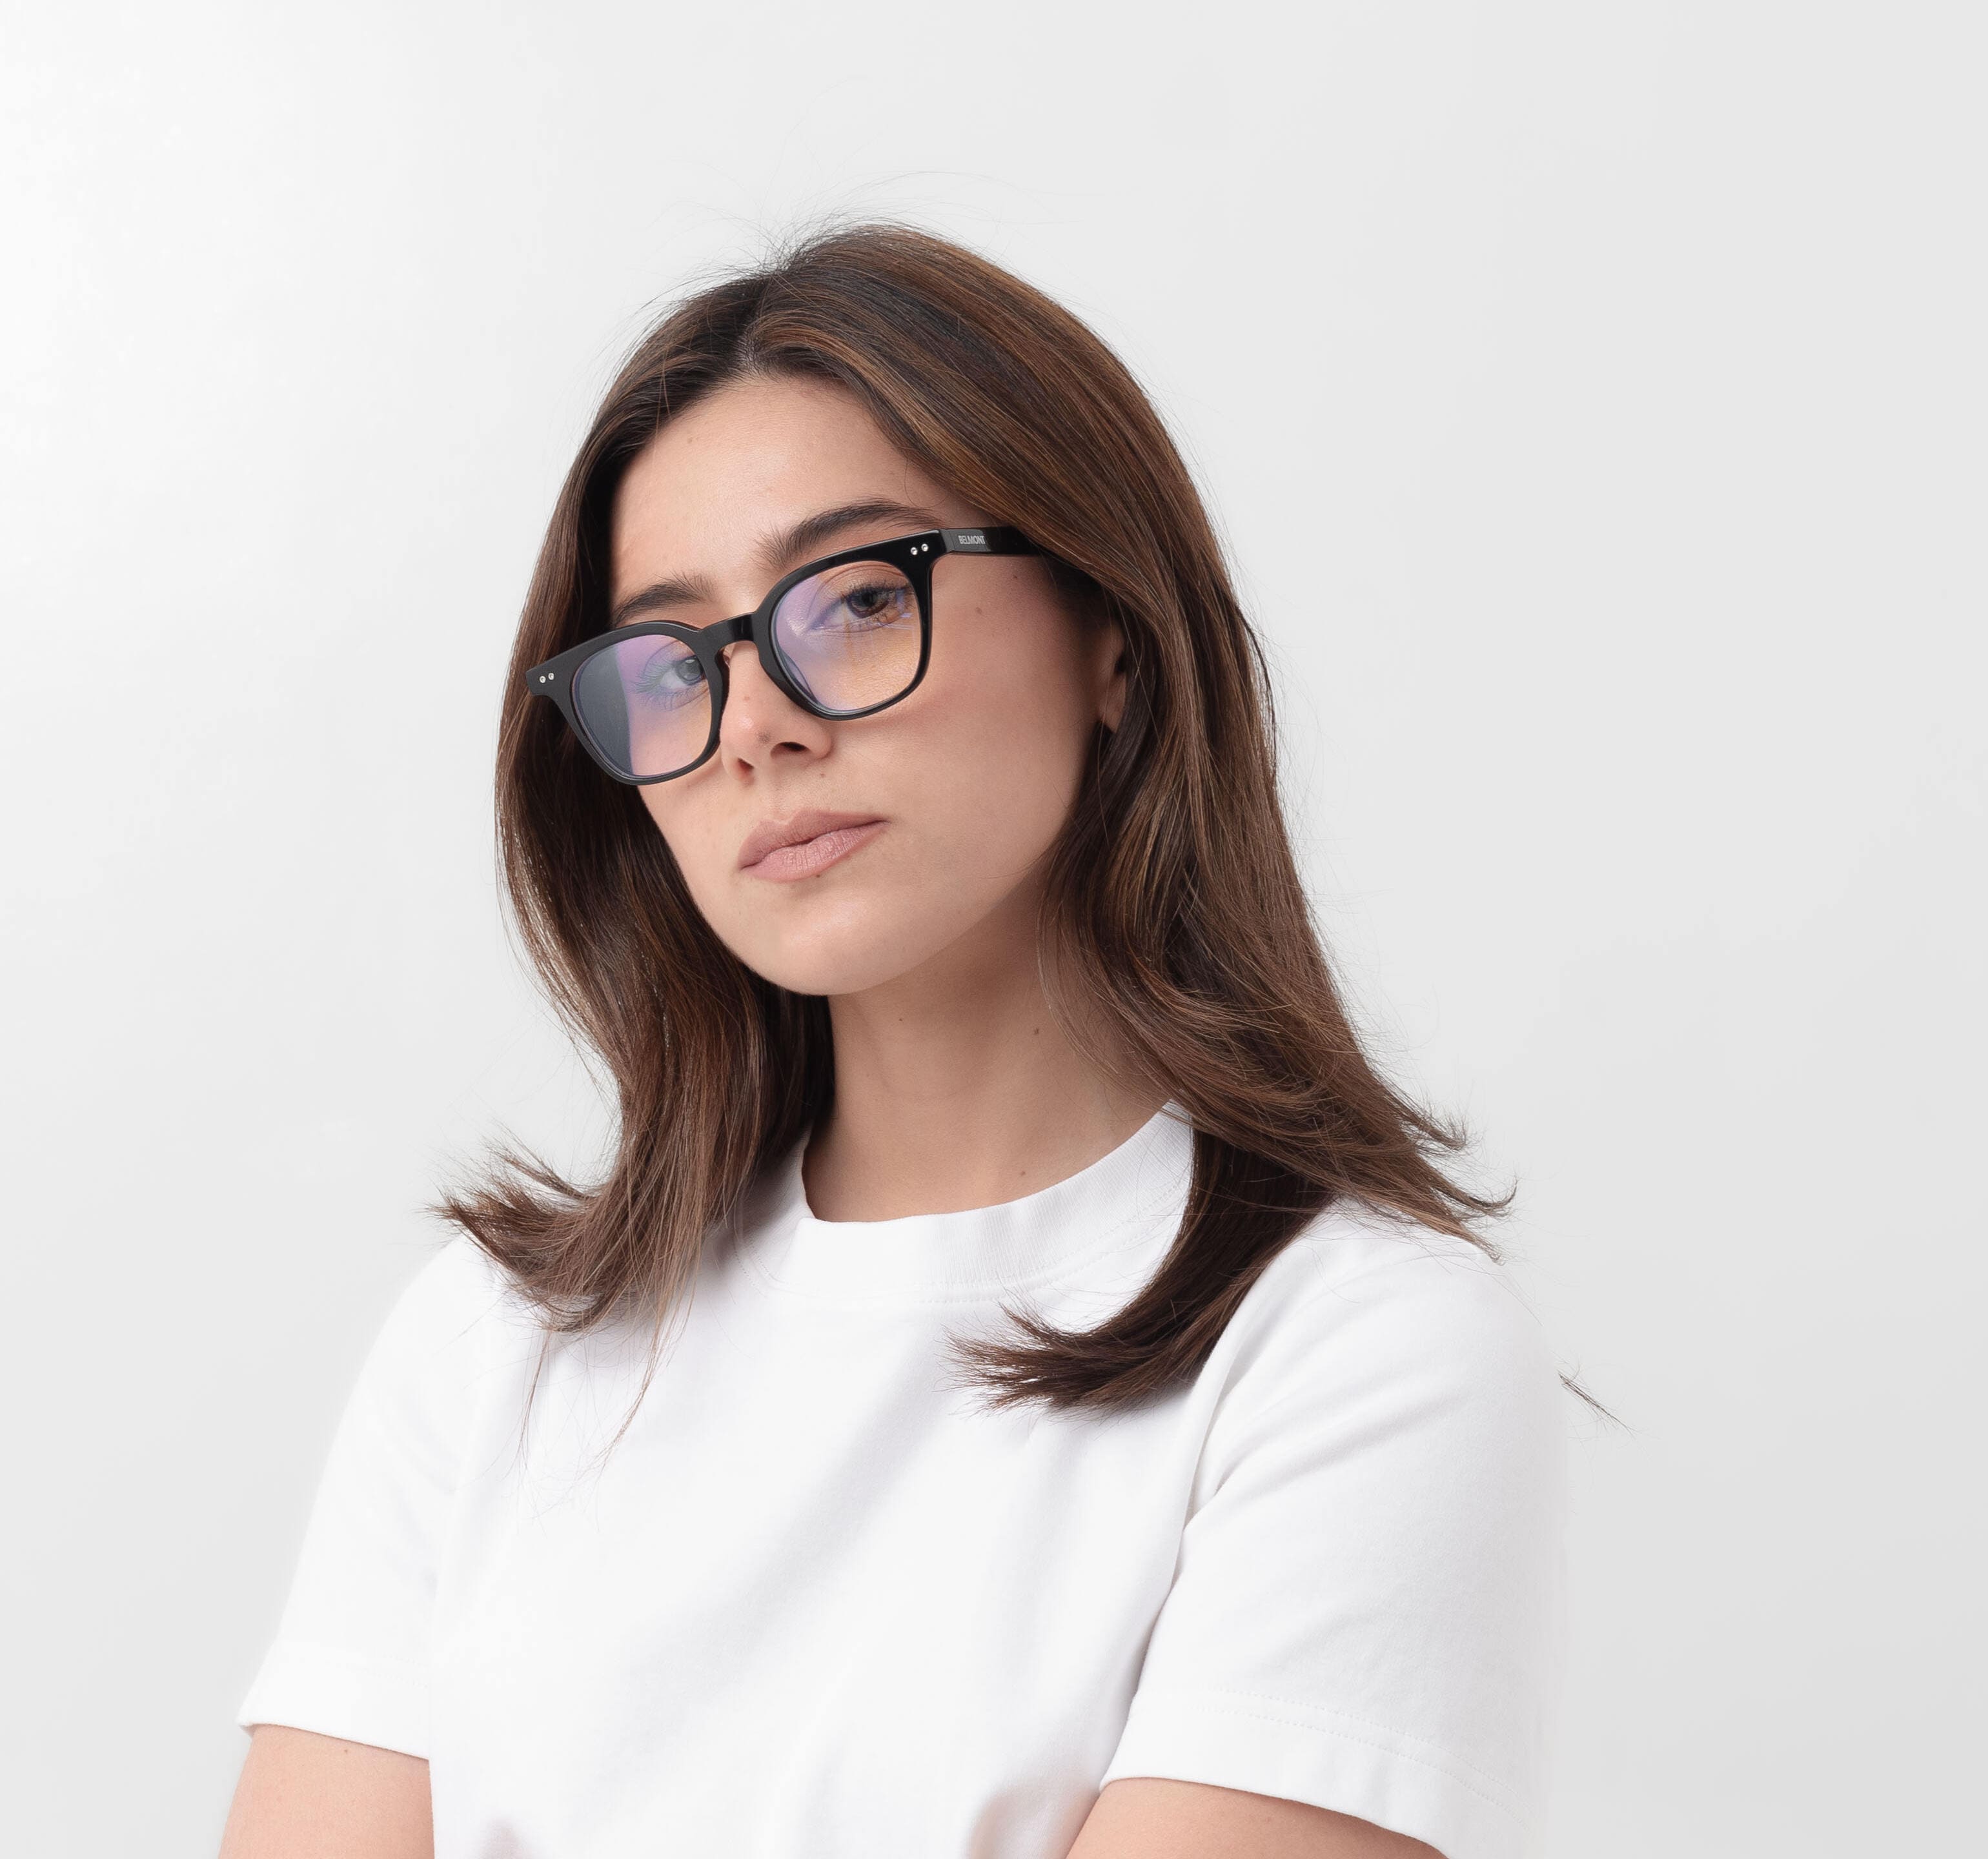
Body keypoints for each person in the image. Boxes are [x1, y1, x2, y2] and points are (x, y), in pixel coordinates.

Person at [217, 225, 1572, 1859]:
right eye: (668, 661)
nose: (756, 725)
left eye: (856, 598)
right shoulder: (496, 1340)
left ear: (1114, 638)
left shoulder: (1355, 1351)